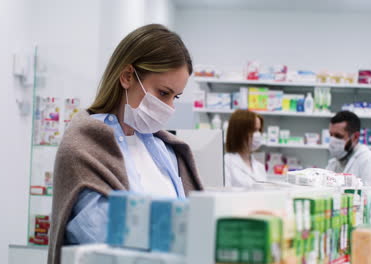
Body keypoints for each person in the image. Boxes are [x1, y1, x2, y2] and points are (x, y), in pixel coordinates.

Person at [47, 24, 203, 264]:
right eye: (163, 93)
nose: (170, 107)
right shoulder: (85, 146)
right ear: (127, 76)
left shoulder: (162, 149)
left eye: (176, 97)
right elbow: (100, 239)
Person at [326, 111, 371, 185]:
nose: (333, 141)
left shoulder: (368, 160)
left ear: (355, 137)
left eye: (338, 136)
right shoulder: (334, 163)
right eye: (331, 135)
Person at [224, 109, 267, 188]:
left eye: (259, 130)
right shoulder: (226, 163)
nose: (257, 135)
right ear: (239, 132)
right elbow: (224, 195)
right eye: (254, 130)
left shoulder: (259, 167)